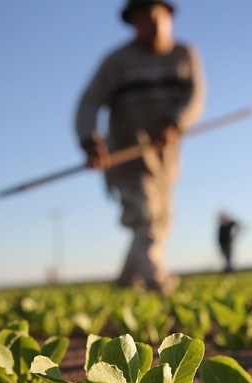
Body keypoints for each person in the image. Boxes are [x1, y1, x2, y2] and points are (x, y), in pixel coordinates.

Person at [75, 0, 205, 295]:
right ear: (132, 23)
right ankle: (157, 282)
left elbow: (195, 95)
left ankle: (125, 281)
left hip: (165, 158)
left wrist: (175, 122)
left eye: (155, 17)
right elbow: (89, 100)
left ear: (169, 16)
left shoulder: (185, 55)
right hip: (127, 154)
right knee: (145, 216)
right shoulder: (116, 62)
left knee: (160, 221)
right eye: (142, 20)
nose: (151, 25)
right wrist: (88, 138)